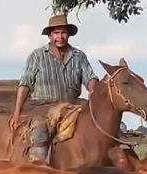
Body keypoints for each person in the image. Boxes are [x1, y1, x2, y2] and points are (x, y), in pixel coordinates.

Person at [11, 13, 99, 162]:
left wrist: (92, 89)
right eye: (56, 33)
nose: (60, 36)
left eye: (63, 32)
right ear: (49, 36)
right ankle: (37, 169)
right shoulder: (37, 56)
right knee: (40, 132)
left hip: (72, 105)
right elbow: (25, 83)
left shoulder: (78, 56)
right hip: (43, 106)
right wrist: (17, 111)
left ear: (69, 35)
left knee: (97, 120)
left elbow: (90, 77)